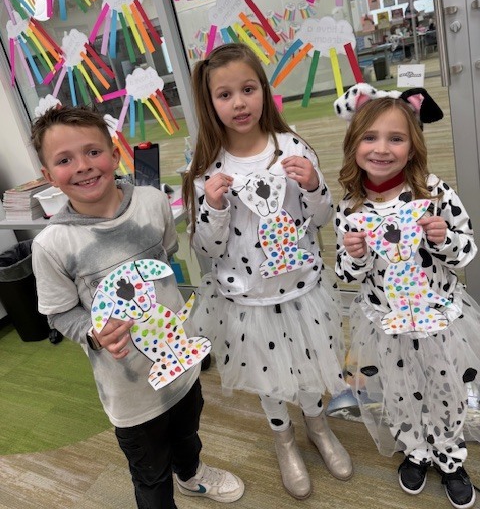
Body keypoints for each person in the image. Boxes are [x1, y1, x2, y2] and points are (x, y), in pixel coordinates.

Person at [30, 105, 244, 509]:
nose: (83, 166)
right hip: (129, 391)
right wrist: (94, 333)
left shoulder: (152, 202)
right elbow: (59, 314)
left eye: (92, 151)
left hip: (179, 363)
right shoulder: (52, 245)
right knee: (150, 474)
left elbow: (165, 256)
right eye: (64, 159)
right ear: (48, 176)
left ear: (114, 153)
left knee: (187, 433)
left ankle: (192, 475)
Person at [182, 43, 353, 500]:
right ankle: (284, 440)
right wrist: (214, 207)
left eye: (248, 89)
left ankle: (318, 427)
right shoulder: (206, 170)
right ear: (209, 102)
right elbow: (206, 246)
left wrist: (314, 185)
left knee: (310, 366)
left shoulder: (291, 148)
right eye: (224, 94)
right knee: (267, 374)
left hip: (300, 290)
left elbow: (321, 220)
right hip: (246, 297)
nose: (239, 103)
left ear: (264, 91)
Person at [334, 83, 480, 509]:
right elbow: (345, 272)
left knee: (445, 388)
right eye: (370, 137)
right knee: (398, 390)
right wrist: (357, 255)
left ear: (413, 145)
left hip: (438, 318)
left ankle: (450, 456)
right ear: (353, 144)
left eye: (395, 138)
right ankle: (414, 449)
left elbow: (467, 248)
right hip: (386, 321)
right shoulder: (351, 207)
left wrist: (444, 238)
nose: (382, 149)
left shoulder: (434, 192)